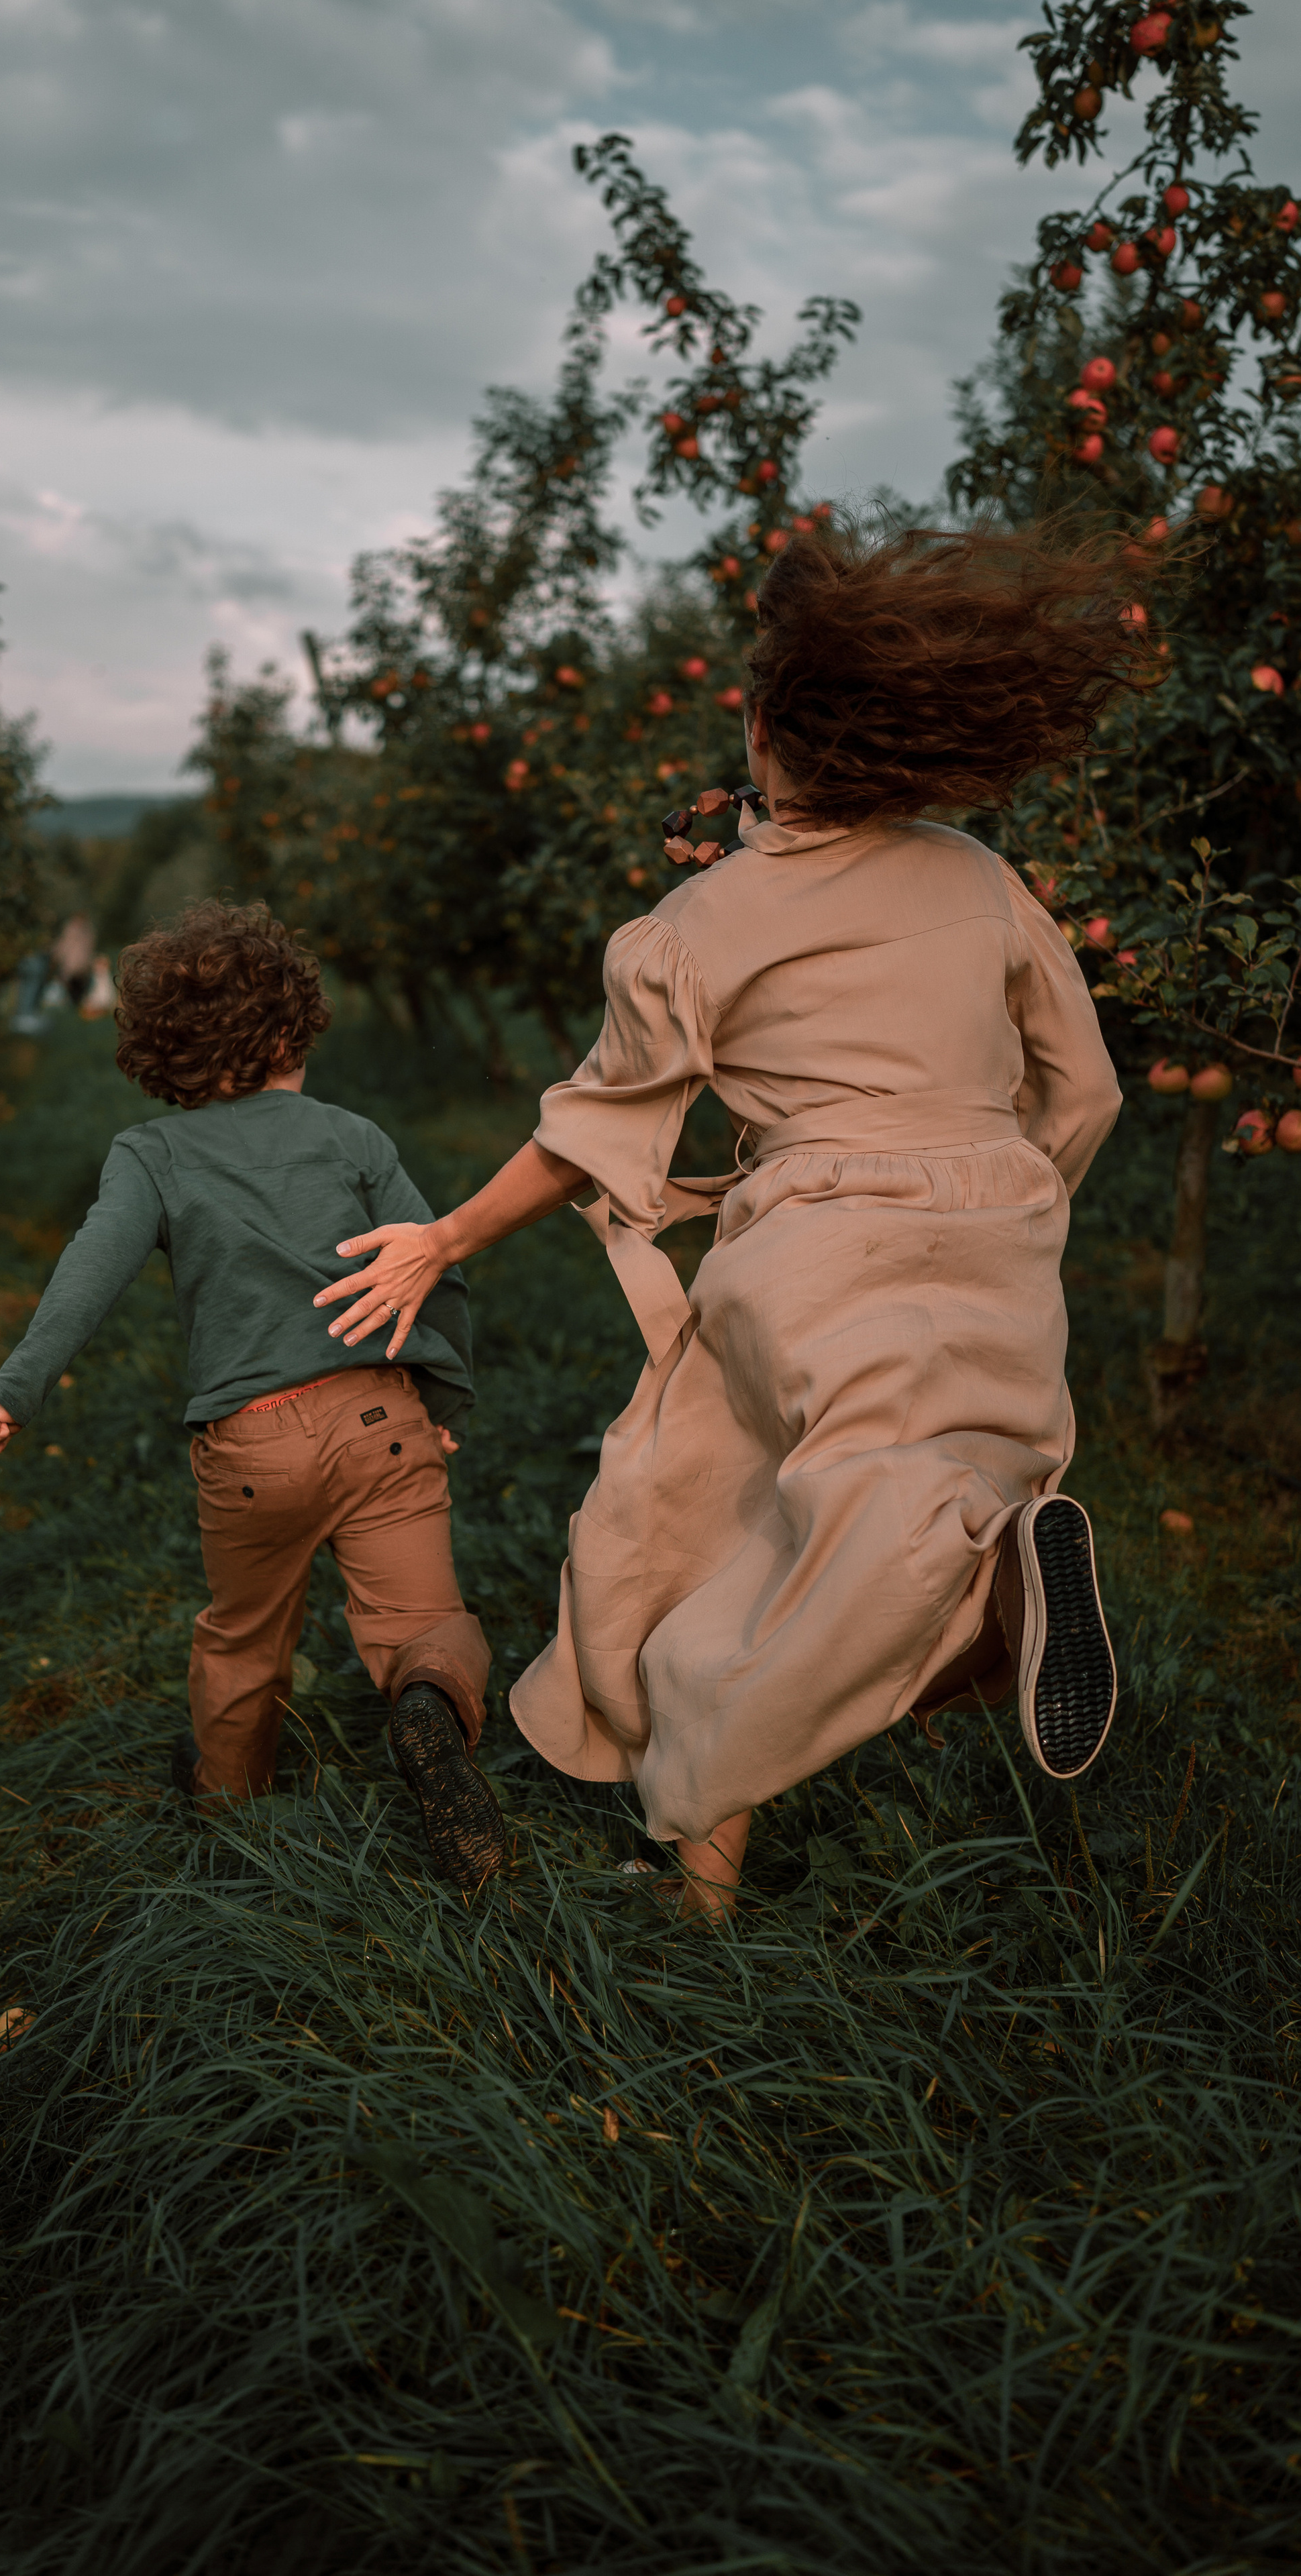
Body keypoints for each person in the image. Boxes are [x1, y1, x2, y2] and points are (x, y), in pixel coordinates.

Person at [314, 524, 1131, 1917]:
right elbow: (1088, 1086)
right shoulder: (977, 876)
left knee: (687, 1520)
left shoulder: (698, 923)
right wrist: (1013, 1199)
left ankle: (976, 1592)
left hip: (815, 1234)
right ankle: (715, 1851)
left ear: (757, 727)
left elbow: (592, 1127)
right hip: (997, 1210)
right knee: (802, 1513)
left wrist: (443, 1237)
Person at [0, 900, 505, 1891]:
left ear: (164, 1055)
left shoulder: (153, 1155)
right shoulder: (352, 1136)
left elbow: (88, 1273)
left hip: (252, 1446)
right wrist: (445, 1400)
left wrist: (15, 1388)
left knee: (245, 1637)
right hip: (383, 1418)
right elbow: (442, 1272)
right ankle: (428, 1702)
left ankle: (230, 1809)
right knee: (424, 1616)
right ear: (296, 1030)